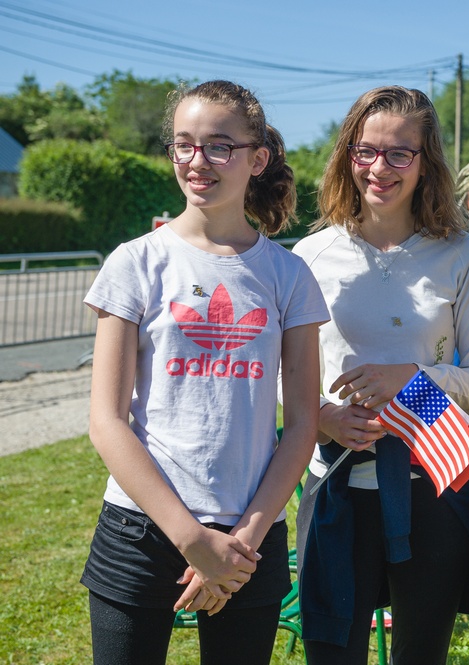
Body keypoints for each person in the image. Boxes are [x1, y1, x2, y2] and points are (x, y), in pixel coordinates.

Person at [80, 80, 328, 665]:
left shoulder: (289, 276)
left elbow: (301, 424)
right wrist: (193, 543)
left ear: (257, 157)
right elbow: (106, 422)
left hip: (250, 534)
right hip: (141, 529)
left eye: (219, 146)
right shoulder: (135, 262)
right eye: (184, 145)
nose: (198, 161)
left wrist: (239, 543)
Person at [293, 85, 469, 664]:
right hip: (334, 485)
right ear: (345, 155)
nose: (378, 168)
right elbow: (286, 385)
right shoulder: (309, 256)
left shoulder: (461, 254)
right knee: (331, 651)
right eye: (365, 151)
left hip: (430, 486)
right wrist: (326, 418)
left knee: (421, 654)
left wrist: (416, 378)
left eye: (398, 154)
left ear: (425, 162)